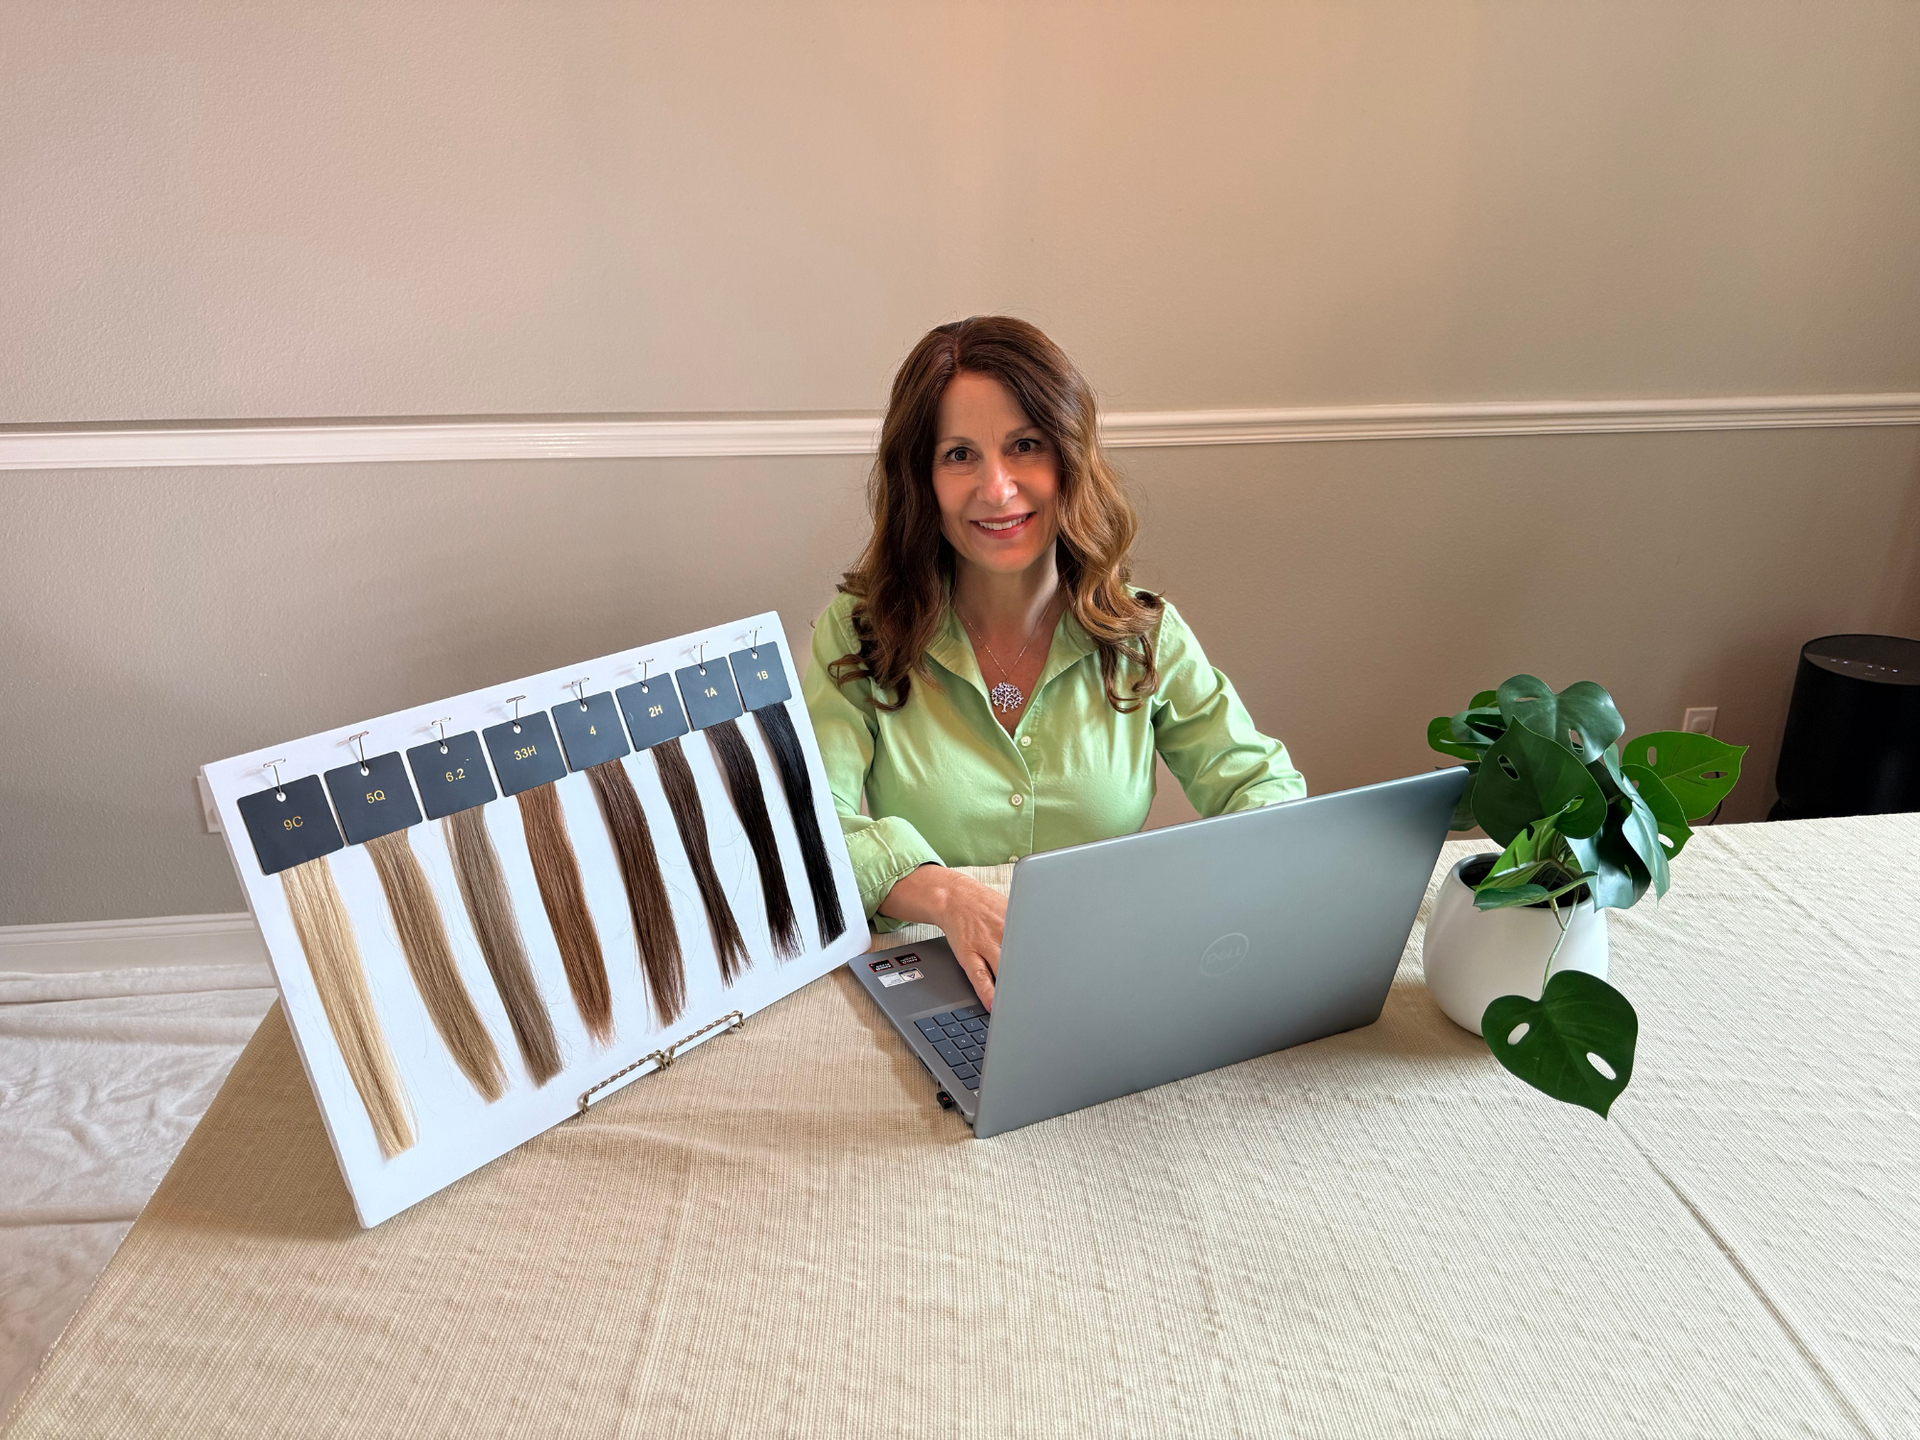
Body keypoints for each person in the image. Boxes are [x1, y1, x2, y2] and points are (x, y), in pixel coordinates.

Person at [803, 316, 1304, 1007]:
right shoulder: (858, 633)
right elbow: (809, 820)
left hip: (1115, 976)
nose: (998, 488)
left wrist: (1185, 891)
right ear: (921, 476)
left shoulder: (1143, 633)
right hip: (935, 979)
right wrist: (945, 892)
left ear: (1069, 456)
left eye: (1025, 446)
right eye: (958, 455)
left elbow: (1265, 788)